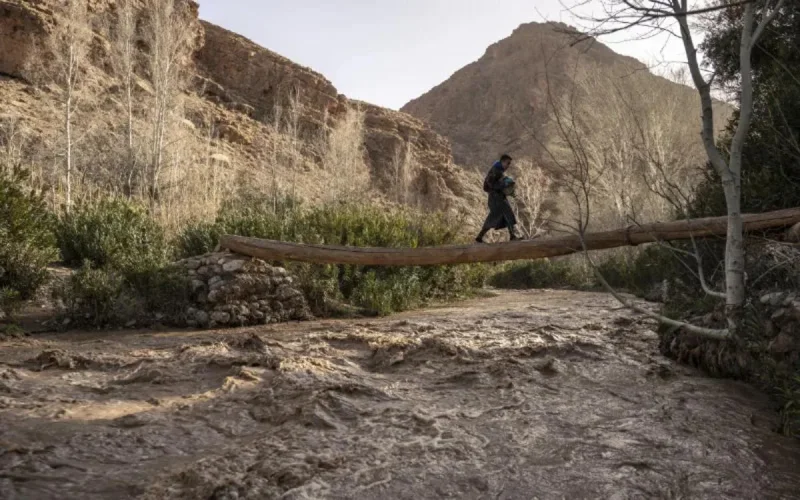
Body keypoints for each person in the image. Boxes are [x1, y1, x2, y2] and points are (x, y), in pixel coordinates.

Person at [475, 154, 520, 243]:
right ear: (503, 162)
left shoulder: (498, 170)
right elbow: (490, 184)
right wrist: (504, 184)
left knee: (502, 215)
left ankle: (480, 236)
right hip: (496, 198)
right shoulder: (495, 170)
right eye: (508, 163)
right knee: (506, 215)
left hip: (498, 197)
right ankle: (512, 236)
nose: (508, 166)